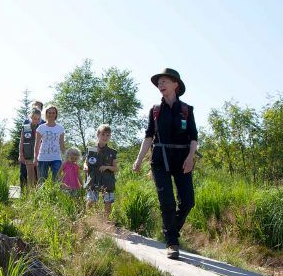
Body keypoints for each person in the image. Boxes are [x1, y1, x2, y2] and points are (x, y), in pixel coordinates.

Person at [133, 68, 198, 259]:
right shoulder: (155, 111)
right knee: (167, 202)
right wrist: (138, 160)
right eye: (158, 83)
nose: (160, 85)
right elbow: (148, 137)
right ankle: (172, 242)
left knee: (188, 201)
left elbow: (193, 137)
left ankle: (170, 231)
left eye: (164, 82)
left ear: (175, 85)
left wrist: (190, 157)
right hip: (160, 160)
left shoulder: (187, 110)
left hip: (183, 160)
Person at [84, 124, 118, 217]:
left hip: (107, 180)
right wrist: (85, 167)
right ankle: (89, 220)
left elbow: (116, 168)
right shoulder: (91, 150)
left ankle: (106, 222)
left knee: (108, 202)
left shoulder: (112, 152)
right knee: (91, 200)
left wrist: (107, 167)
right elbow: (86, 162)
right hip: (93, 179)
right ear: (98, 135)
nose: (105, 137)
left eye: (108, 135)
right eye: (103, 134)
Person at [34, 104, 65, 183]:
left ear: (56, 114)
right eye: (49, 112)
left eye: (53, 113)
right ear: (46, 114)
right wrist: (35, 158)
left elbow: (62, 144)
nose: (51, 114)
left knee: (57, 180)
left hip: (56, 157)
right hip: (43, 157)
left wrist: (65, 158)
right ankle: (41, 195)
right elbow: (37, 144)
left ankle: (55, 195)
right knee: (42, 181)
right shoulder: (41, 128)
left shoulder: (60, 128)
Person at [18, 101, 45, 187]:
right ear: (31, 117)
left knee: (39, 176)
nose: (36, 120)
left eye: (38, 119)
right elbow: (21, 141)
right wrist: (20, 154)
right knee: (30, 176)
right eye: (34, 118)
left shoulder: (43, 127)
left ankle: (37, 196)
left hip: (40, 156)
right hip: (28, 154)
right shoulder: (26, 127)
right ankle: (30, 196)